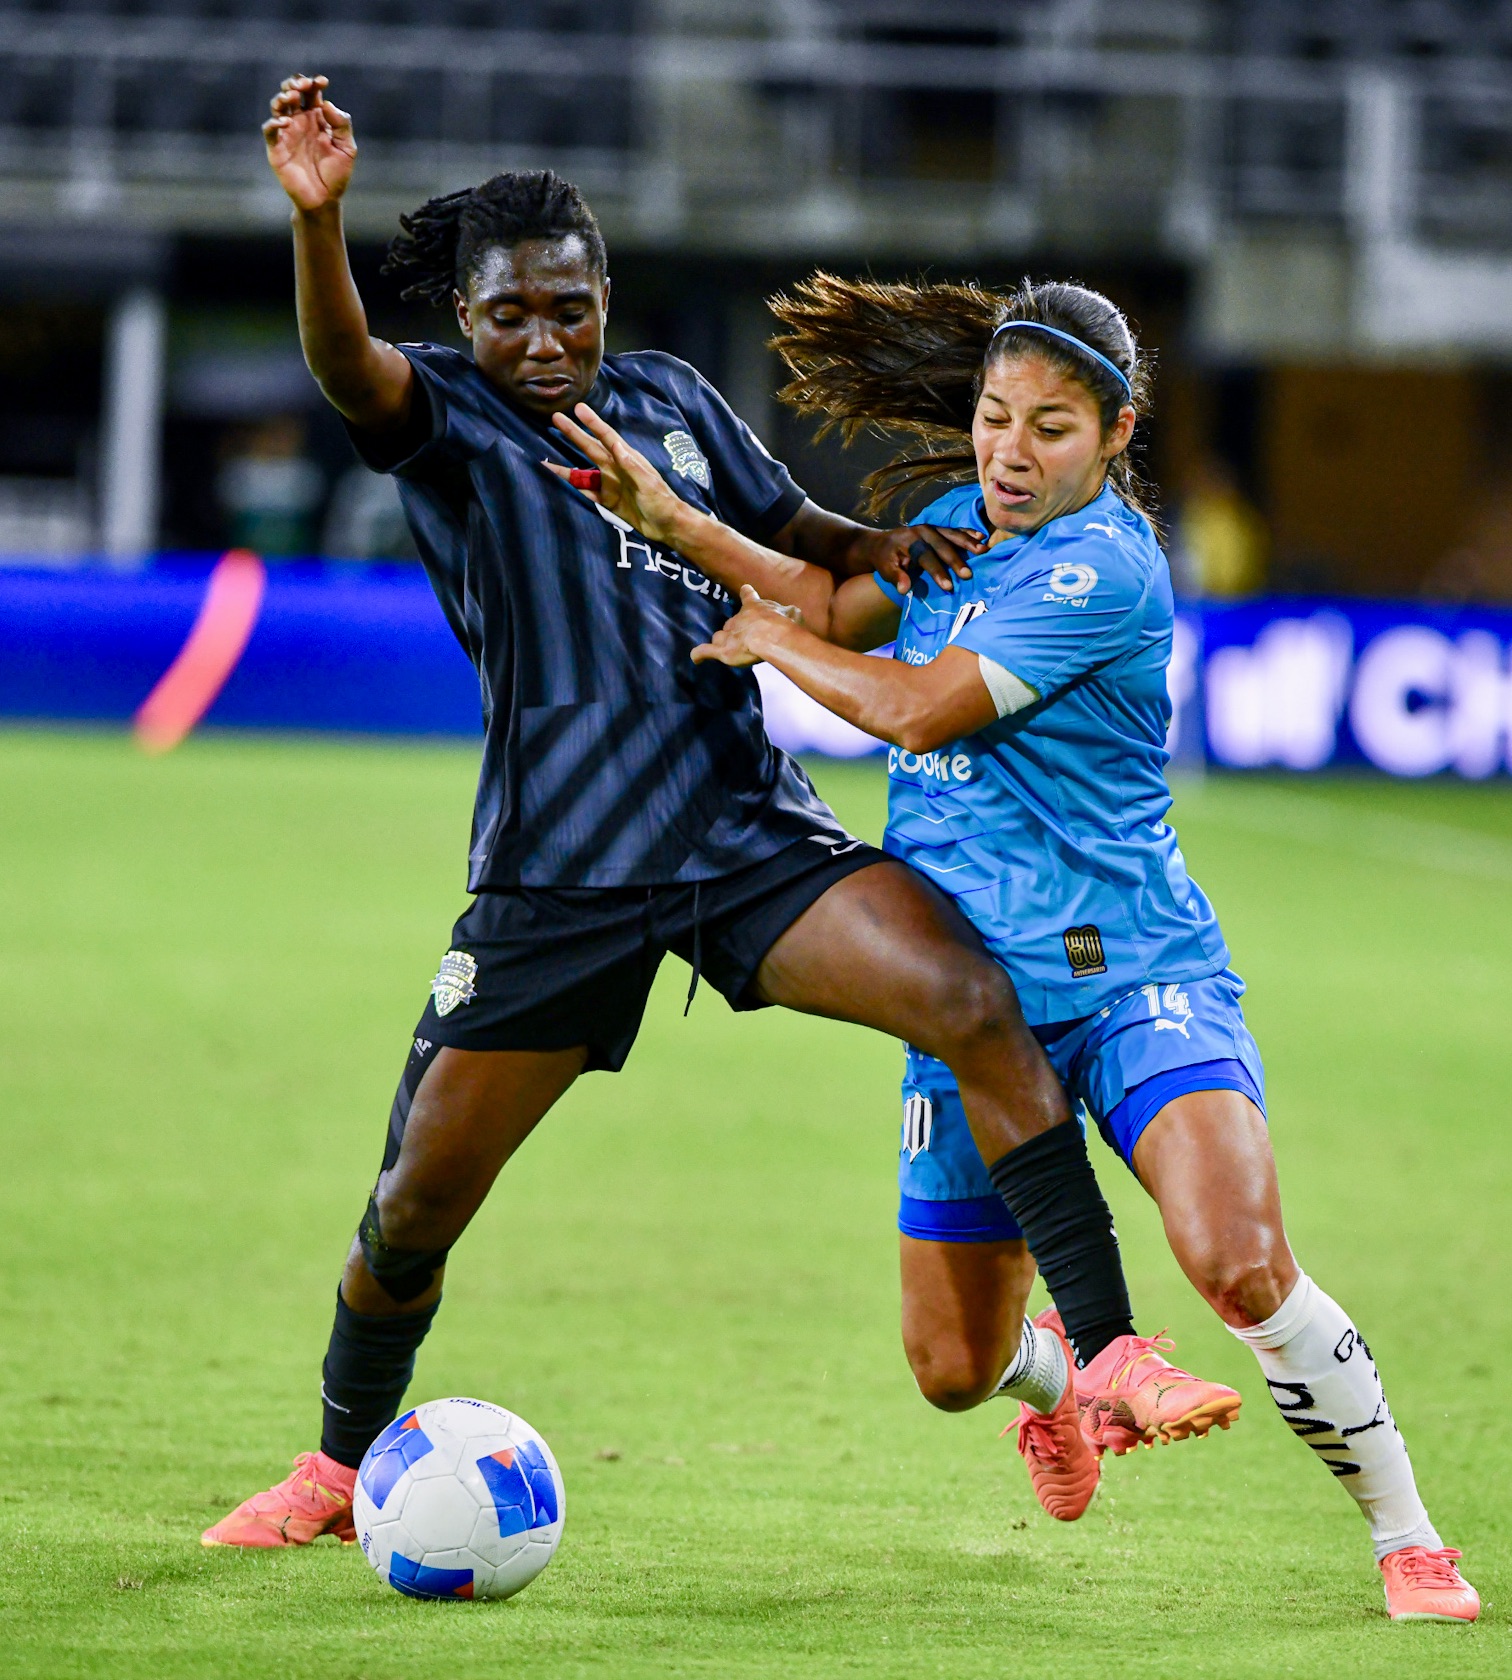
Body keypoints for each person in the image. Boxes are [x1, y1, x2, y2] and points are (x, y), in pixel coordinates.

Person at [201, 77, 1214, 1550]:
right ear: (469, 319)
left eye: (567, 307)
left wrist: (888, 544)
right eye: (508, 315)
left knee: (969, 998)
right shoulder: (446, 416)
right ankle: (339, 1465)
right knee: (415, 1201)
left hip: (744, 835)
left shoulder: (670, 398)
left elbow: (798, 541)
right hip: (558, 871)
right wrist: (319, 222)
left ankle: (1108, 1349)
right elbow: (347, 363)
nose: (541, 341)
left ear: (604, 295)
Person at [543, 272, 1480, 1623]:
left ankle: (1410, 1538)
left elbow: (917, 707)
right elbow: (830, 595)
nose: (1008, 454)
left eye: (1049, 428)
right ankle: (1055, 1380)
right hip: (977, 1012)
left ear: (1116, 435)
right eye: (993, 420)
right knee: (946, 1363)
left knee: (1237, 1259)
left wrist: (770, 648)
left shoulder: (1108, 566)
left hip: (1132, 978)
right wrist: (678, 522)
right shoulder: (946, 528)